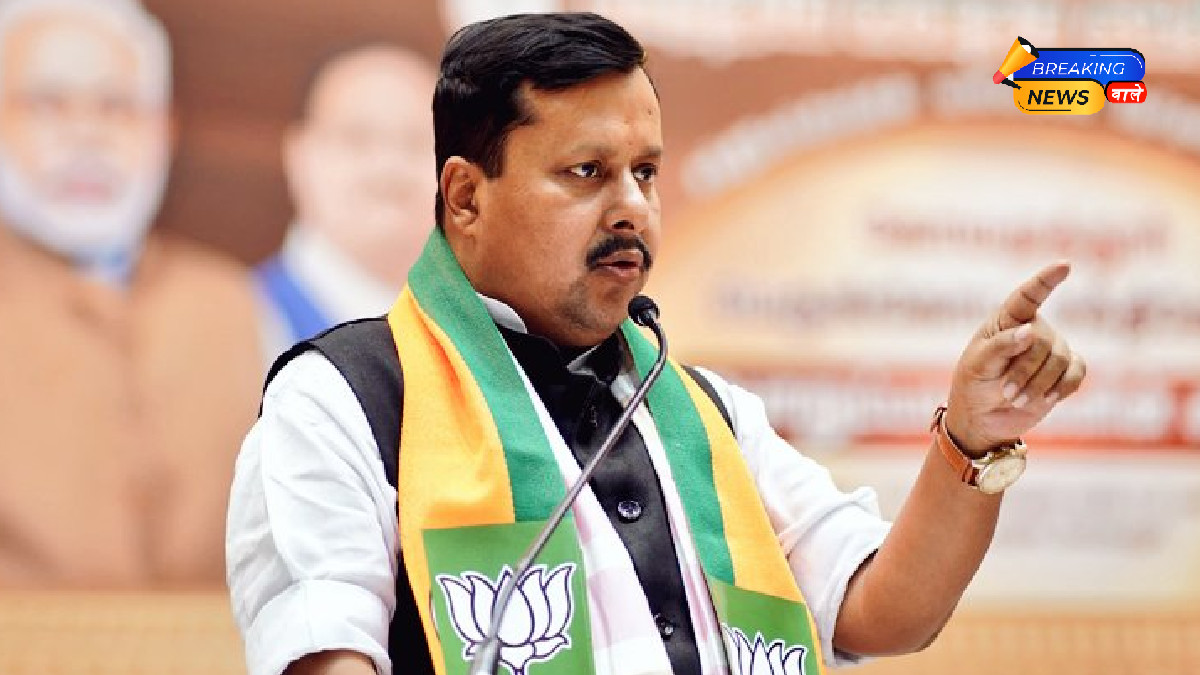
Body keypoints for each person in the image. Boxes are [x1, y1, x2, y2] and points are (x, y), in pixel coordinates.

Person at [226, 12, 1086, 675]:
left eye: (645, 172)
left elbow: (884, 609)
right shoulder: (346, 398)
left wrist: (972, 436)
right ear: (464, 197)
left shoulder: (703, 411)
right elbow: (326, 649)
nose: (632, 208)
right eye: (587, 173)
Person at [0, 0, 263, 587]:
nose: (86, 134)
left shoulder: (230, 304)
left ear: (165, 131)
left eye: (117, 107)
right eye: (47, 104)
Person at [256, 43, 438, 361]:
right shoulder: (240, 323)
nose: (388, 167)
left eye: (417, 140)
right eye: (357, 138)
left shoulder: (491, 342)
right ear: (298, 156)